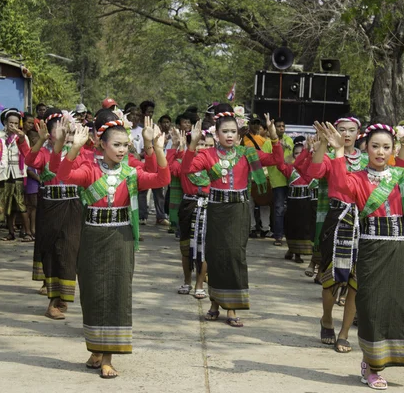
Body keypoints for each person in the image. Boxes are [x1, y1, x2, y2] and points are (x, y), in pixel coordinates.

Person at [315, 121, 404, 389]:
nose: (380, 152)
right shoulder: (358, 178)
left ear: (393, 148)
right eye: (375, 146)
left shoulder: (402, 178)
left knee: (396, 305)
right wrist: (338, 152)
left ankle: (380, 362)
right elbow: (339, 186)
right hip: (371, 247)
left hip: (399, 248)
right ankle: (370, 365)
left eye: (386, 147)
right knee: (370, 306)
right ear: (366, 148)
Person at [57, 111, 171, 379]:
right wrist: (73, 147)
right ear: (101, 144)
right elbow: (64, 175)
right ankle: (96, 349)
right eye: (116, 144)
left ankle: (108, 357)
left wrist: (156, 147)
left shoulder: (132, 173)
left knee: (117, 294)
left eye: (125, 145)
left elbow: (163, 179)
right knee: (92, 294)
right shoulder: (90, 170)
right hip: (92, 238)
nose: (122, 149)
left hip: (121, 238)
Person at [182, 104, 283, 327]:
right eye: (224, 131)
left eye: (233, 132)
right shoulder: (207, 154)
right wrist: (192, 143)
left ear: (239, 134)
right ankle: (215, 303)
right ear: (216, 135)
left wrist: (274, 137)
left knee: (236, 256)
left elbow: (276, 159)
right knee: (216, 256)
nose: (229, 135)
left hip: (238, 210)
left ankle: (233, 307)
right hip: (217, 209)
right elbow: (188, 170)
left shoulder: (247, 153)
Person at [302, 116, 369, 353]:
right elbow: (314, 171)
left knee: (355, 281)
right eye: (342, 130)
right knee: (331, 276)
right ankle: (327, 317)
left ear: (359, 133)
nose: (347, 134)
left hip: (365, 221)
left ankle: (344, 332)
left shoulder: (369, 160)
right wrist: (322, 143)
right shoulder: (331, 159)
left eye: (351, 130)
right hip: (338, 219)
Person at [16, 108, 84, 319]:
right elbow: (29, 161)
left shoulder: (78, 153)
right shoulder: (45, 152)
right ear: (50, 132)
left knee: (69, 249)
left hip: (72, 205)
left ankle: (61, 298)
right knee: (52, 250)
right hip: (49, 205)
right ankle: (53, 300)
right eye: (61, 130)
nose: (66, 134)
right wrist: (40, 140)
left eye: (69, 131)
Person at [172, 129, 214, 297]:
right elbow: (169, 167)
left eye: (204, 144)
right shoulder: (183, 162)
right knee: (185, 247)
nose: (201, 147)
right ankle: (187, 281)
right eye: (197, 143)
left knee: (204, 248)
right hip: (188, 204)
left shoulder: (213, 163)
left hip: (208, 205)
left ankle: (199, 284)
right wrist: (176, 146)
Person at [277, 142, 316, 263]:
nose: (299, 156)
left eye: (301, 153)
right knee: (291, 227)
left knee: (303, 228)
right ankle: (291, 249)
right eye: (296, 153)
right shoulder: (289, 169)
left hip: (306, 202)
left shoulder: (310, 168)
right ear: (293, 155)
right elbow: (279, 165)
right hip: (293, 202)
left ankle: (298, 253)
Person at [0, 108, 33, 242]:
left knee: (20, 203)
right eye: (10, 123)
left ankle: (28, 232)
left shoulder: (22, 136)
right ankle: (11, 231)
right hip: (6, 172)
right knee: (8, 203)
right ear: (5, 123)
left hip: (18, 172)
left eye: (15, 122)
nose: (12, 125)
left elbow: (27, 153)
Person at [262, 118, 294, 245]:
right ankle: (278, 236)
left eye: (283, 126)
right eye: (279, 126)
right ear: (273, 128)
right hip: (277, 180)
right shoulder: (268, 143)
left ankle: (290, 235)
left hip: (290, 179)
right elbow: (266, 160)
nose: (281, 128)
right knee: (279, 209)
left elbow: (294, 158)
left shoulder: (289, 140)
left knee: (291, 209)